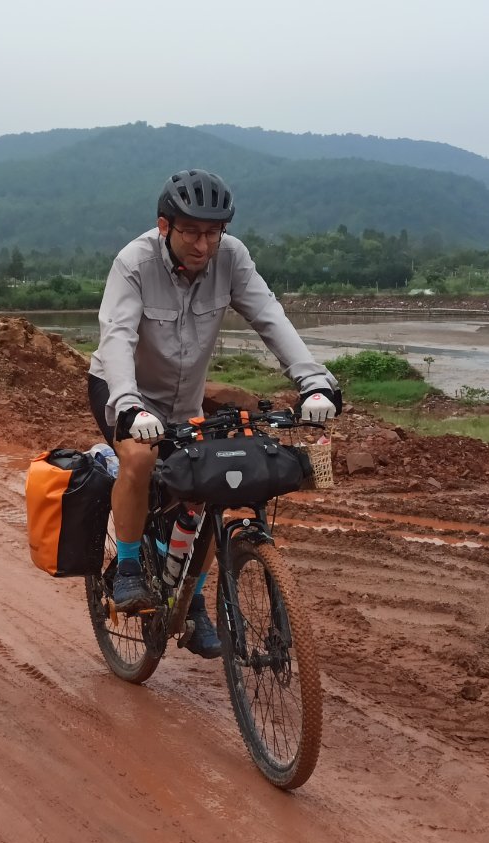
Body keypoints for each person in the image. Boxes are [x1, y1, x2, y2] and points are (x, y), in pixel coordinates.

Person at [87, 169, 341, 658]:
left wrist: (312, 381)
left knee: (212, 485)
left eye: (213, 232)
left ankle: (193, 598)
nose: (204, 244)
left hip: (184, 400)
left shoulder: (232, 257)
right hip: (124, 391)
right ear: (165, 226)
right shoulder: (134, 262)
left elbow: (270, 316)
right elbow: (117, 336)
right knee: (139, 459)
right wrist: (129, 404)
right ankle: (129, 567)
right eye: (191, 232)